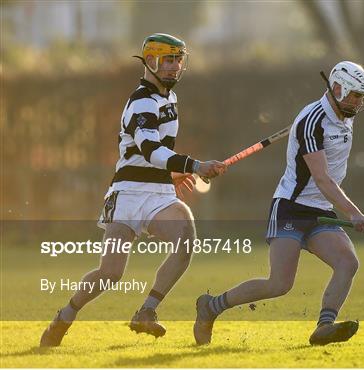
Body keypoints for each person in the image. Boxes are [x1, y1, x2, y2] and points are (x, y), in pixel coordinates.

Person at [40, 33, 227, 347]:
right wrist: (193, 165)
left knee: (185, 240)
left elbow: (159, 154)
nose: (174, 66)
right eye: (168, 59)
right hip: (127, 194)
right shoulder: (141, 101)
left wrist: (172, 172)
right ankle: (65, 316)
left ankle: (147, 310)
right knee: (111, 274)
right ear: (151, 61)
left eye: (178, 59)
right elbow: (150, 148)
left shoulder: (170, 99)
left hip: (158, 193)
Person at [193, 61, 364, 346]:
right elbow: (323, 179)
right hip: (291, 207)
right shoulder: (311, 120)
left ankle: (324, 326)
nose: (358, 102)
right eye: (354, 94)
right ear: (337, 88)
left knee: (347, 262)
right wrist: (354, 213)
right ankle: (211, 307)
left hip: (321, 211)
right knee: (279, 284)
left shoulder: (344, 113)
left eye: (362, 96)